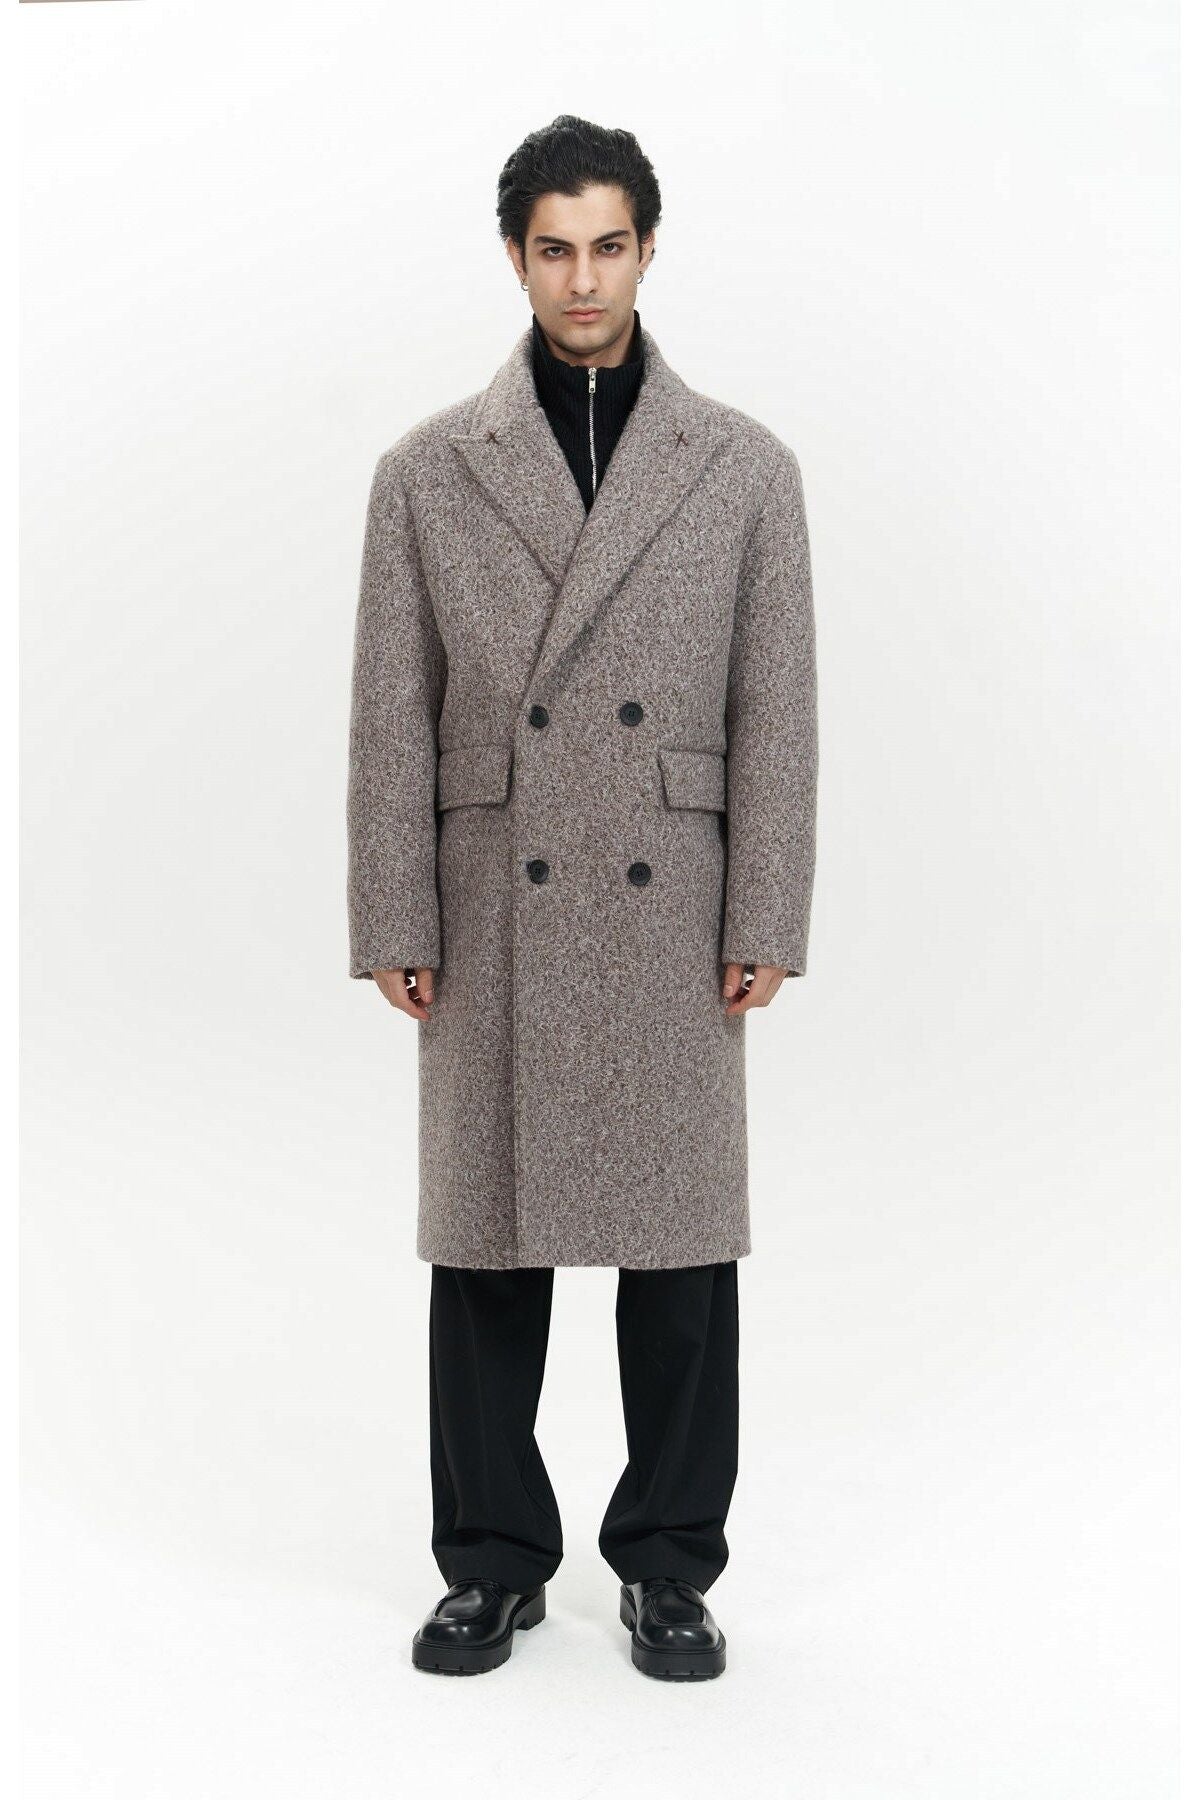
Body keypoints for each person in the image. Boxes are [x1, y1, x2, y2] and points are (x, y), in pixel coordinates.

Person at [346, 114, 818, 1680]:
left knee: (679, 1256)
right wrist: (393, 914)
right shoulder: (428, 471)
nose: (584, 279)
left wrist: (768, 911)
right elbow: (390, 714)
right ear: (515, 259)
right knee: (486, 1248)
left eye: (609, 245)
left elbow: (779, 711)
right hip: (498, 895)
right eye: (555, 250)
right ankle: (491, 1561)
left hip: (670, 903)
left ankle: (669, 1565)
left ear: (649, 248)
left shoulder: (743, 467)